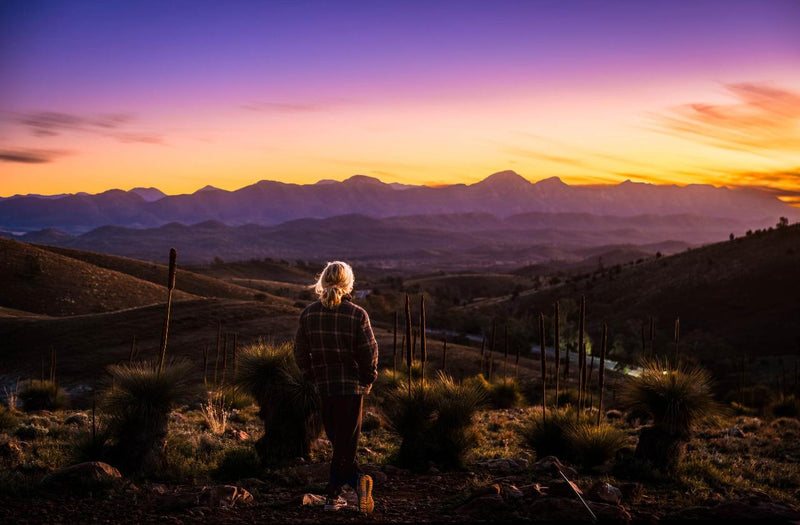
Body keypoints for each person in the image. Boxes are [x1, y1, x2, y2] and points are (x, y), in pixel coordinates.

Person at [293, 261, 379, 513]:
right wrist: (368, 378)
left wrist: (311, 374)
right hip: (352, 389)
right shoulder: (356, 314)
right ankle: (356, 483)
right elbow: (369, 352)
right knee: (346, 443)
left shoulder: (308, 314)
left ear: (322, 283)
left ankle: (332, 496)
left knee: (339, 441)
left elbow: (300, 351)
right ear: (348, 284)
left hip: (325, 387)